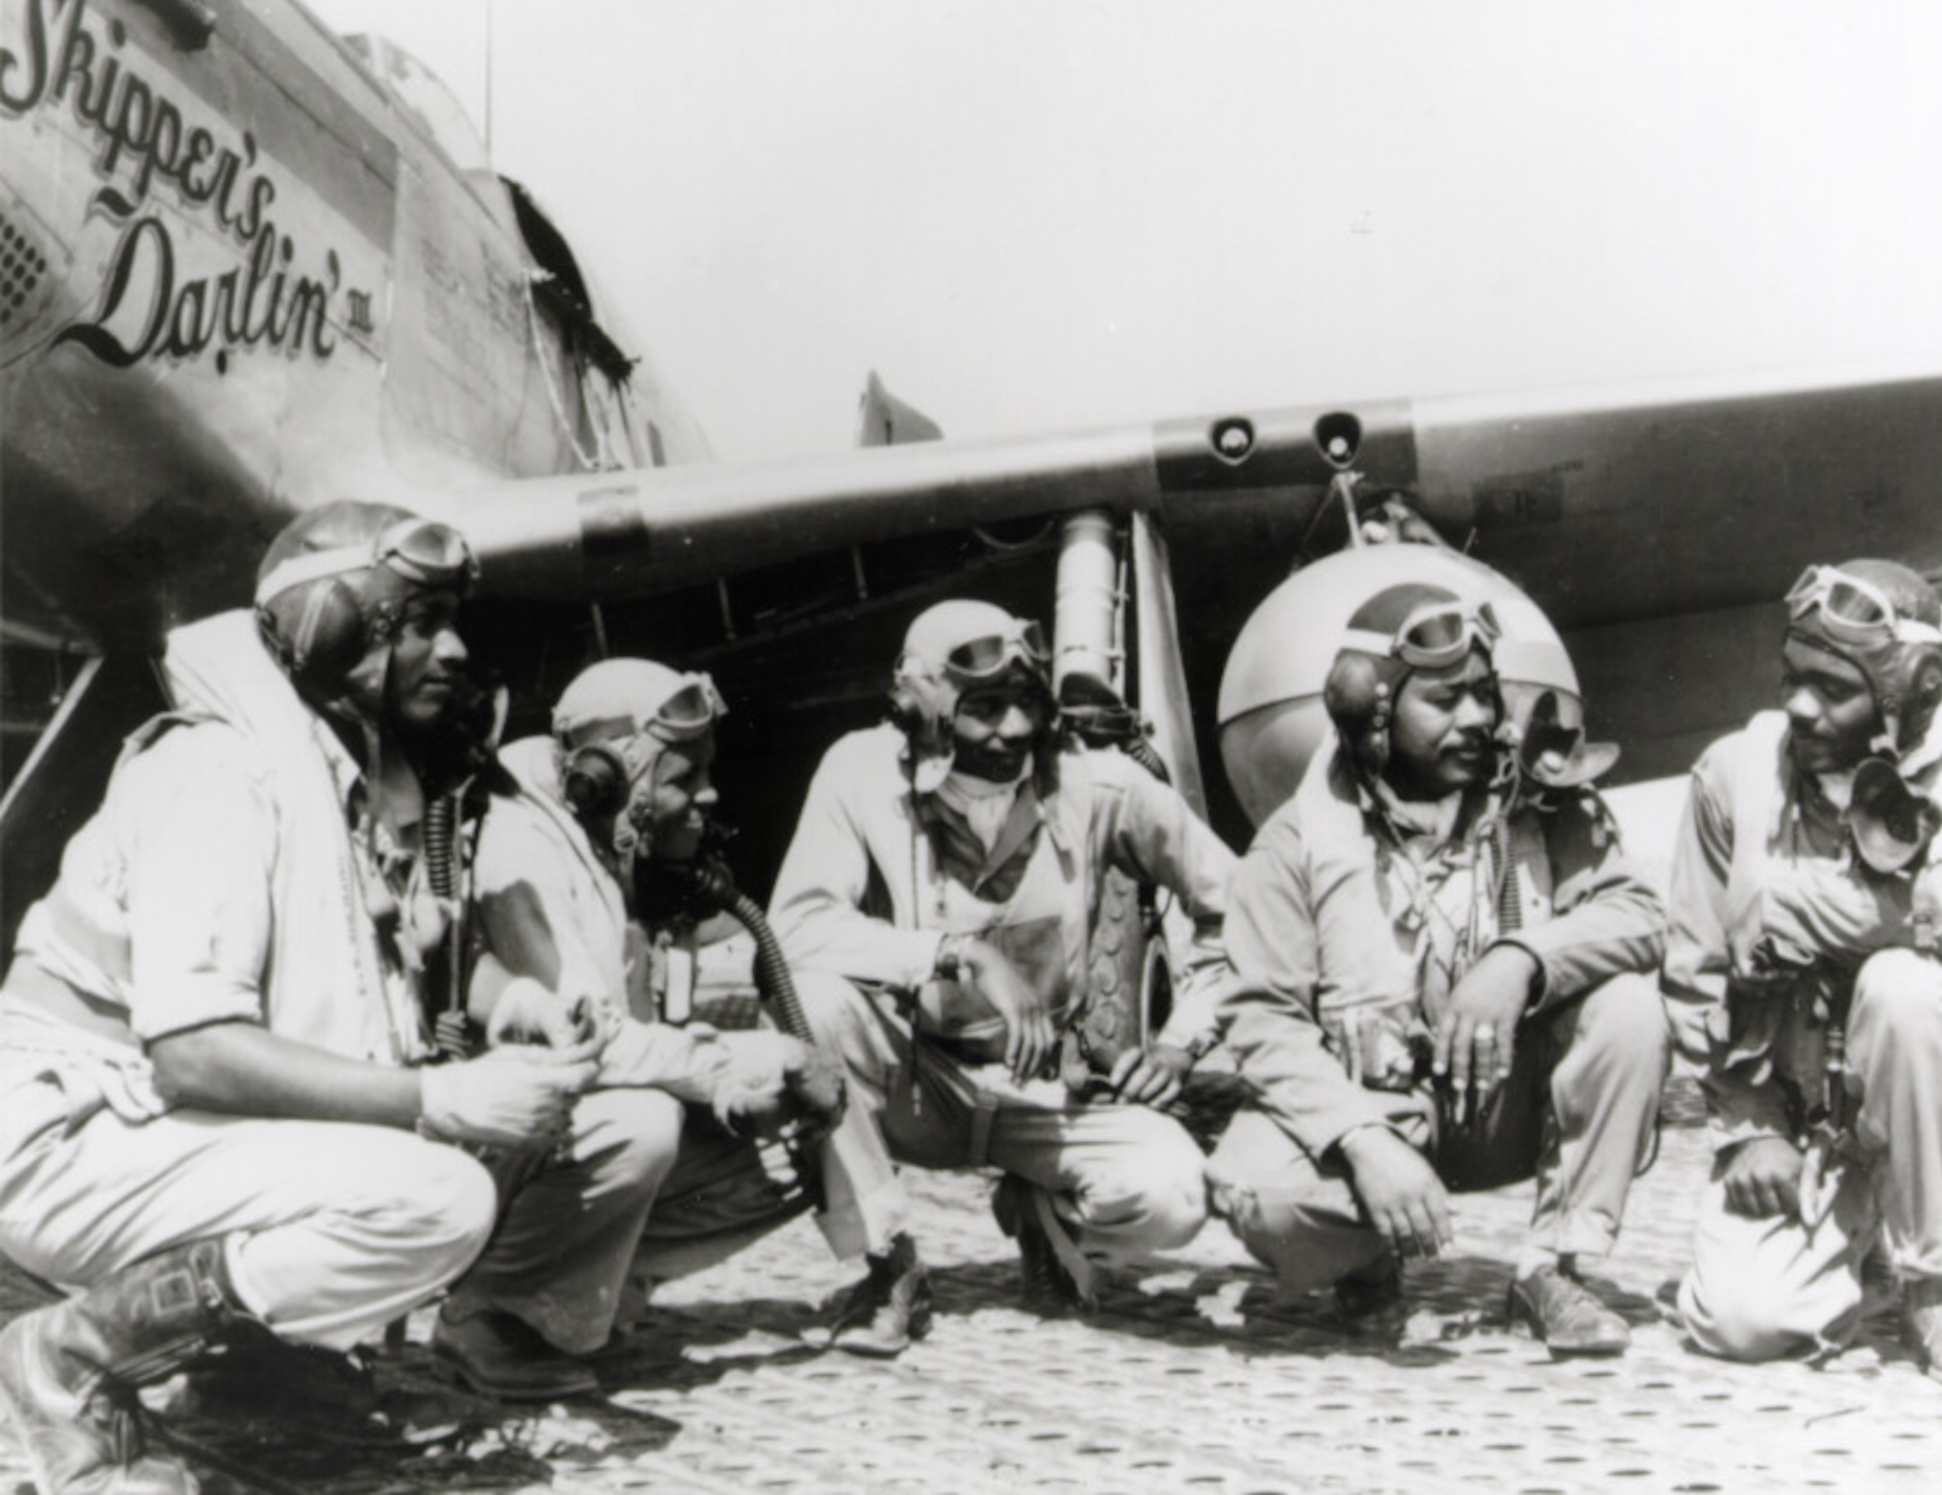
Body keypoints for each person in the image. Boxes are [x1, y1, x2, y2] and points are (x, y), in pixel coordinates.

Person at [0, 502, 597, 1495]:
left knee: (467, 1148)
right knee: (436, 1191)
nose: (453, 650)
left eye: (453, 620)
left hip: (143, 1128)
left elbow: (373, 954)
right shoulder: (223, 772)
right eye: (418, 621)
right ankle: (67, 1359)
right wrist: (437, 1102)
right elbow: (194, 1050)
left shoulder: (325, 773)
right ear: (332, 624)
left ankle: (263, 1379)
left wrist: (507, 1004)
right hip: (62, 1144)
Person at [1206, 582, 1669, 1355]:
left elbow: (1642, 913)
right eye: (1445, 700)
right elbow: (1261, 1021)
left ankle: (1554, 1267)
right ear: (1375, 716)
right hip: (1376, 1111)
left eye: (1484, 695)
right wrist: (1361, 1139)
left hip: (1503, 1102)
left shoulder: (1538, 802)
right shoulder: (1293, 846)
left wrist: (1522, 957)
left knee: (1627, 1009)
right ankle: (1366, 1257)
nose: (1478, 718)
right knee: (1258, 1194)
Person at [771, 599, 1235, 1356]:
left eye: (1028, 702)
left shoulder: (1098, 782)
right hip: (913, 1077)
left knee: (1175, 1195)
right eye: (985, 707)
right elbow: (795, 928)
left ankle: (1042, 1211)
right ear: (920, 709)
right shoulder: (856, 773)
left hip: (1044, 1083)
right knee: (810, 1004)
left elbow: (1242, 908)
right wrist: (958, 952)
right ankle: (888, 1263)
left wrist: (1184, 1039)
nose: (1014, 729)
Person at [445, 658, 843, 1399]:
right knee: (644, 1119)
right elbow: (596, 1044)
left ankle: (576, 1297)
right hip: (489, 1134)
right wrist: (754, 1057)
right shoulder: (523, 848)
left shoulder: (603, 836)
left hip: (553, 1128)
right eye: (684, 778)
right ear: (611, 777)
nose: (707, 796)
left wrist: (750, 1082)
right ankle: (488, 1313)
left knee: (802, 1143)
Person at [1666, 558, 1942, 1387]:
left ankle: (1932, 1283)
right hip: (1798, 1100)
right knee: (1743, 1322)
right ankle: (1859, 1229)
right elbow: (1697, 967)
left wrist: (1780, 906)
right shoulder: (1732, 774)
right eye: (1791, 677)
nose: (1799, 705)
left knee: (1905, 983)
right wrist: (1751, 1126)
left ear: (1908, 694)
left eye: (1832, 689)